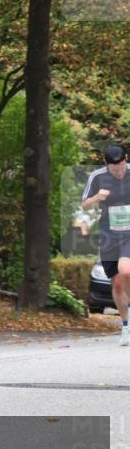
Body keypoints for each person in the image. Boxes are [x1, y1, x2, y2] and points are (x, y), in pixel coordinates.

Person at [81, 144, 130, 345]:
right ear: (105, 163)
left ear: (126, 159)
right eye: (114, 167)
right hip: (109, 234)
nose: (119, 171)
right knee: (117, 283)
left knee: (126, 271)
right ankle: (126, 326)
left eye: (121, 165)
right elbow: (84, 204)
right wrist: (96, 198)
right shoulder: (97, 176)